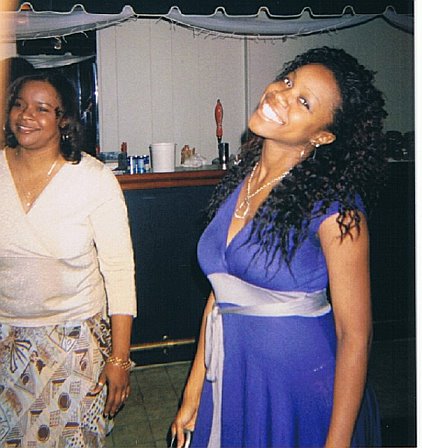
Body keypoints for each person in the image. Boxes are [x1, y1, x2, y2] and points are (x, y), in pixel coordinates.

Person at [171, 46, 387, 447]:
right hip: (234, 371)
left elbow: (355, 335)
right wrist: (194, 389)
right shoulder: (242, 180)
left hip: (300, 385)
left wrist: (337, 443)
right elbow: (221, 295)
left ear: (322, 136)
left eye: (304, 101)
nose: (281, 94)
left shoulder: (336, 208)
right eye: (288, 81)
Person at [0, 71, 137, 447]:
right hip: (6, 341)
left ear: (63, 120)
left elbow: (119, 271)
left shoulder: (93, 178)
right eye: (19, 105)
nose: (26, 115)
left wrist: (119, 359)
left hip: (75, 343)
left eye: (41, 108)